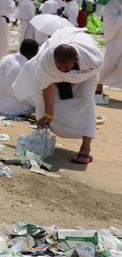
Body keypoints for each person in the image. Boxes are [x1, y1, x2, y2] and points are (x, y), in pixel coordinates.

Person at [14, 27, 103, 164]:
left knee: (86, 101)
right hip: (54, 73)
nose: (62, 71)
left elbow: (93, 71)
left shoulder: (92, 59)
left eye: (66, 68)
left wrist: (66, 74)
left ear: (77, 59)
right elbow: (48, 86)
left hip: (85, 76)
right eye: (59, 68)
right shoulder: (48, 61)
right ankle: (43, 141)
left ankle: (86, 148)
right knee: (45, 101)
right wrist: (48, 114)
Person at [0, 39, 39, 117]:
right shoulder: (24, 68)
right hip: (12, 108)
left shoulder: (7, 58)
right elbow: (26, 96)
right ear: (32, 54)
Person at [95, 0, 122, 104]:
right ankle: (98, 87)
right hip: (116, 38)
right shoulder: (114, 0)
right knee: (110, 63)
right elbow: (109, 19)